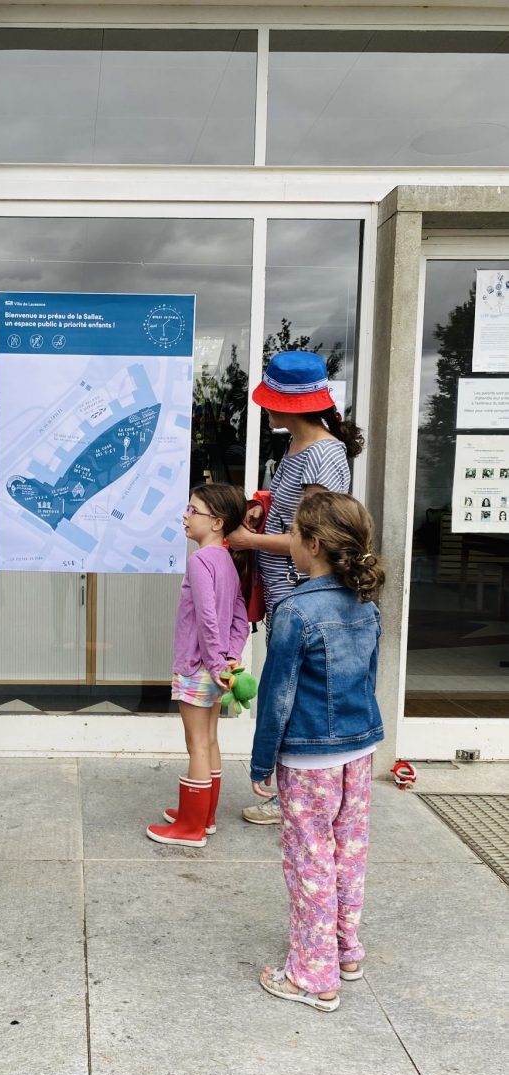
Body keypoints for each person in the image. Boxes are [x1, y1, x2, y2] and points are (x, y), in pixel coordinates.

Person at [249, 491, 384, 1012]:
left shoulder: (296, 611)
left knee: (310, 860)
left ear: (313, 544)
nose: (287, 541)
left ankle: (313, 975)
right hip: (359, 747)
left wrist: (262, 760)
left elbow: (277, 694)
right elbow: (369, 679)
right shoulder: (365, 603)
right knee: (348, 852)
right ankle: (345, 951)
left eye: (292, 533)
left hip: (309, 758)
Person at [227, 350, 364, 827]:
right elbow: (291, 517)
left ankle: (294, 795)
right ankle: (293, 792)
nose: (265, 408)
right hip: (285, 589)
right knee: (289, 688)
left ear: (289, 405)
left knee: (294, 693)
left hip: (300, 592)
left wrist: (248, 540)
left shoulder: (323, 455)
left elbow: (312, 537)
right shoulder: (296, 447)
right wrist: (260, 511)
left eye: (270, 400)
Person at [146, 483, 249, 847]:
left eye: (193, 510)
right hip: (218, 667)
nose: (185, 516)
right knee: (210, 739)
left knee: (197, 744)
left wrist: (216, 662)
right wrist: (231, 657)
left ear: (217, 522)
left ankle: (190, 828)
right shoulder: (227, 561)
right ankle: (205, 816)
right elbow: (240, 616)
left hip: (197, 666)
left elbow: (206, 618)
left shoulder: (200, 560)